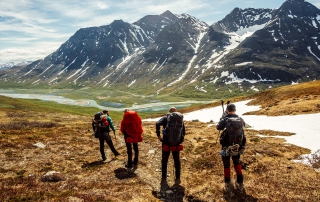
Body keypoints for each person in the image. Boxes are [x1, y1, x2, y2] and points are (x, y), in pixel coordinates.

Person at [216, 104, 246, 187]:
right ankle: (240, 180)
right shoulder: (240, 119)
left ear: (227, 110)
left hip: (226, 145)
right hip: (237, 145)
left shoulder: (225, 118)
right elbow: (244, 125)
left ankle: (227, 181)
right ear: (235, 110)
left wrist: (222, 118)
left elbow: (218, 127)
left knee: (226, 164)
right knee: (236, 162)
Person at [156, 107, 185, 183]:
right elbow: (183, 131)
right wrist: (179, 139)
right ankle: (178, 177)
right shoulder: (179, 119)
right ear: (176, 112)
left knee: (165, 160)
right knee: (177, 160)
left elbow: (157, 123)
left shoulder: (166, 118)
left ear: (169, 111)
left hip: (166, 142)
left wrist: (158, 135)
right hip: (176, 143)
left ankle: (163, 177)